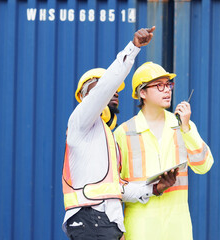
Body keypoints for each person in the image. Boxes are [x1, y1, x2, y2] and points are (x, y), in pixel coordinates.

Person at [62, 27, 166, 240]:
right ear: (85, 95)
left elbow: (114, 188)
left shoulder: (106, 137)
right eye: (110, 88)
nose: (115, 91)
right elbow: (104, 88)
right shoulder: (79, 122)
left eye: (117, 89)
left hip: (107, 223)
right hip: (90, 220)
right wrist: (133, 48)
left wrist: (153, 188)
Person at [114, 62, 214, 240]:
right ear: (142, 92)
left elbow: (204, 165)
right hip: (140, 231)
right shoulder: (124, 132)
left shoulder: (182, 126)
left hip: (178, 230)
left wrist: (187, 129)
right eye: (159, 85)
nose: (167, 90)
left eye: (168, 84)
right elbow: (113, 186)